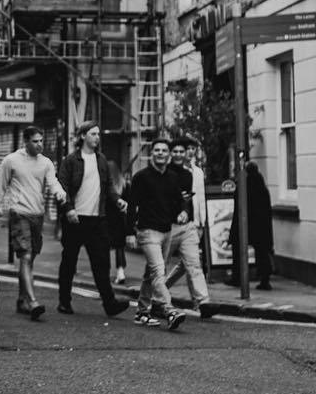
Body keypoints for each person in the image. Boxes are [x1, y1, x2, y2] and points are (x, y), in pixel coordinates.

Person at [55, 122, 132, 318]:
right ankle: (64, 301)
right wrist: (69, 209)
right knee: (69, 262)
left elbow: (107, 187)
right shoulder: (71, 160)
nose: (97, 137)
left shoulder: (101, 160)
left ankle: (110, 303)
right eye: (93, 134)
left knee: (102, 263)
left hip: (97, 220)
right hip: (75, 220)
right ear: (82, 136)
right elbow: (62, 187)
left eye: (98, 134)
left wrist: (117, 201)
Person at [0, 125, 67, 320]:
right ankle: (33, 301)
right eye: (35, 141)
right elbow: (1, 187)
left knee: (30, 258)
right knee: (26, 256)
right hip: (19, 213)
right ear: (26, 141)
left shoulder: (45, 162)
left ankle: (22, 300)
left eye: (41, 141)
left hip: (38, 214)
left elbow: (52, 182)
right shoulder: (11, 161)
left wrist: (60, 193)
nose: (40, 145)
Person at [128, 139, 188, 331]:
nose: (160, 153)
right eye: (157, 150)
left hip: (166, 231)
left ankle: (142, 312)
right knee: (158, 271)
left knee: (151, 273)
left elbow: (179, 201)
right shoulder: (141, 177)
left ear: (168, 154)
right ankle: (169, 310)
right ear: (152, 153)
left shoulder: (172, 177)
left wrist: (182, 211)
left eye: (164, 150)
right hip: (147, 231)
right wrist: (130, 232)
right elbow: (131, 205)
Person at [162, 138, 214, 317]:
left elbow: (197, 198)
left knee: (193, 263)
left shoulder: (194, 173)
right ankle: (156, 295)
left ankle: (202, 302)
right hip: (167, 225)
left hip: (190, 224)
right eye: (176, 151)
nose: (186, 153)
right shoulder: (165, 171)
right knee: (159, 266)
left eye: (189, 150)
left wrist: (201, 221)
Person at [228, 161, 275, 290]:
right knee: (262, 251)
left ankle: (237, 277)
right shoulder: (261, 185)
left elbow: (239, 207)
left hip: (245, 223)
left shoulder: (244, 185)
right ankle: (265, 279)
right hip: (261, 226)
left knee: (238, 249)